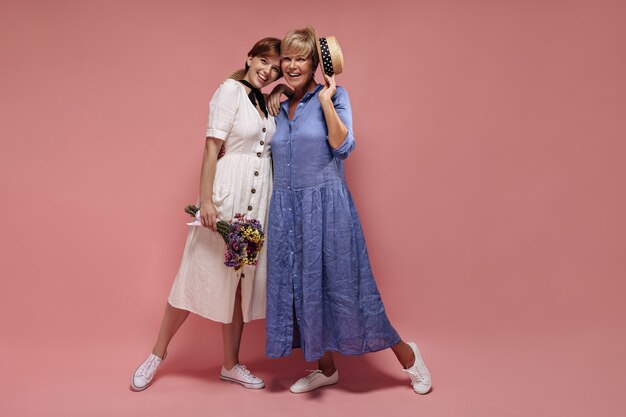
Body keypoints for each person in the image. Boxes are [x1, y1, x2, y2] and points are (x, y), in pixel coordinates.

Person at [265, 28, 432, 395]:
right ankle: (325, 368)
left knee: (348, 290)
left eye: (301, 59)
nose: (292, 65)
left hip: (328, 206)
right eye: (287, 58)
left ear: (315, 64)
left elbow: (344, 146)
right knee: (303, 290)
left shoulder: (337, 97)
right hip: (287, 210)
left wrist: (325, 100)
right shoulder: (275, 103)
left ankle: (408, 356)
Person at [130, 37, 282, 391]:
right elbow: (212, 147)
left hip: (258, 204)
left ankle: (231, 364)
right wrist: (206, 200)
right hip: (227, 196)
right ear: (249, 57)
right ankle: (156, 354)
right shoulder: (230, 90)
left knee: (240, 285)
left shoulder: (265, 101)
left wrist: (282, 92)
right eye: (263, 62)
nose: (268, 71)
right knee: (193, 275)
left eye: (275, 68)